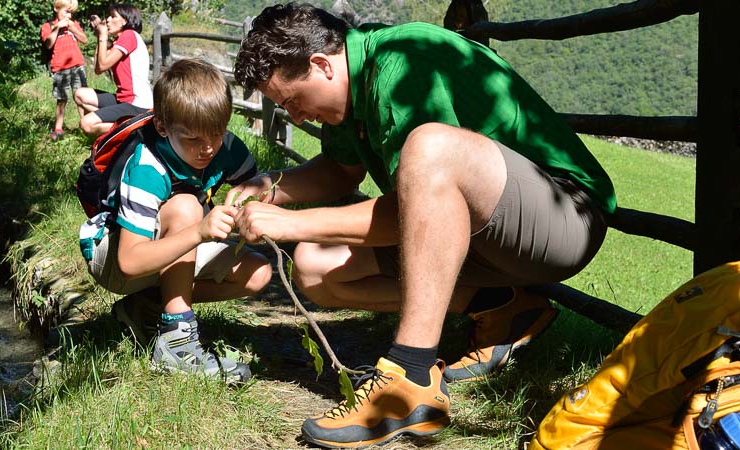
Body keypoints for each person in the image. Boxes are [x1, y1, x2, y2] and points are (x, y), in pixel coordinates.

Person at [229, 3, 616, 447]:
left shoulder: (403, 63)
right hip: (488, 236)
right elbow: (339, 170)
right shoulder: (353, 82)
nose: (296, 117)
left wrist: (289, 225)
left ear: (321, 65)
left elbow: (409, 211)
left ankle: (409, 379)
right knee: (314, 267)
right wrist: (268, 187)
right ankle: (502, 306)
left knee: (430, 146)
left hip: (563, 219)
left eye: (293, 101)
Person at [77, 58, 272, 383]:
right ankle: (177, 343)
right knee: (186, 208)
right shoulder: (147, 169)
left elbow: (256, 184)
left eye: (217, 133)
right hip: (114, 258)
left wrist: (250, 207)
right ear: (164, 128)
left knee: (258, 273)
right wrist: (198, 231)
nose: (208, 148)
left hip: (162, 250)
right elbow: (129, 262)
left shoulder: (225, 147)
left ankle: (146, 308)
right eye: (194, 139)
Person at [73, 4, 153, 137]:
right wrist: (100, 36)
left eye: (113, 16)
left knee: (87, 124)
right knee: (80, 94)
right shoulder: (119, 41)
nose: (108, 20)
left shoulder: (129, 35)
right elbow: (99, 68)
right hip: (124, 99)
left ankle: (138, 127)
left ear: (125, 21)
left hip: (138, 103)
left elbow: (103, 65)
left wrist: (103, 34)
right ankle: (124, 124)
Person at [40, 0, 89, 141]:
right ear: (56, 8)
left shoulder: (74, 24)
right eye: (66, 11)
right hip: (60, 68)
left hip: (77, 66)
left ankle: (86, 127)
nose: (69, 15)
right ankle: (58, 129)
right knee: (62, 99)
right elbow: (48, 45)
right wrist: (57, 28)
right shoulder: (48, 26)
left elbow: (84, 39)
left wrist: (73, 28)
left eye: (71, 12)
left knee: (82, 98)